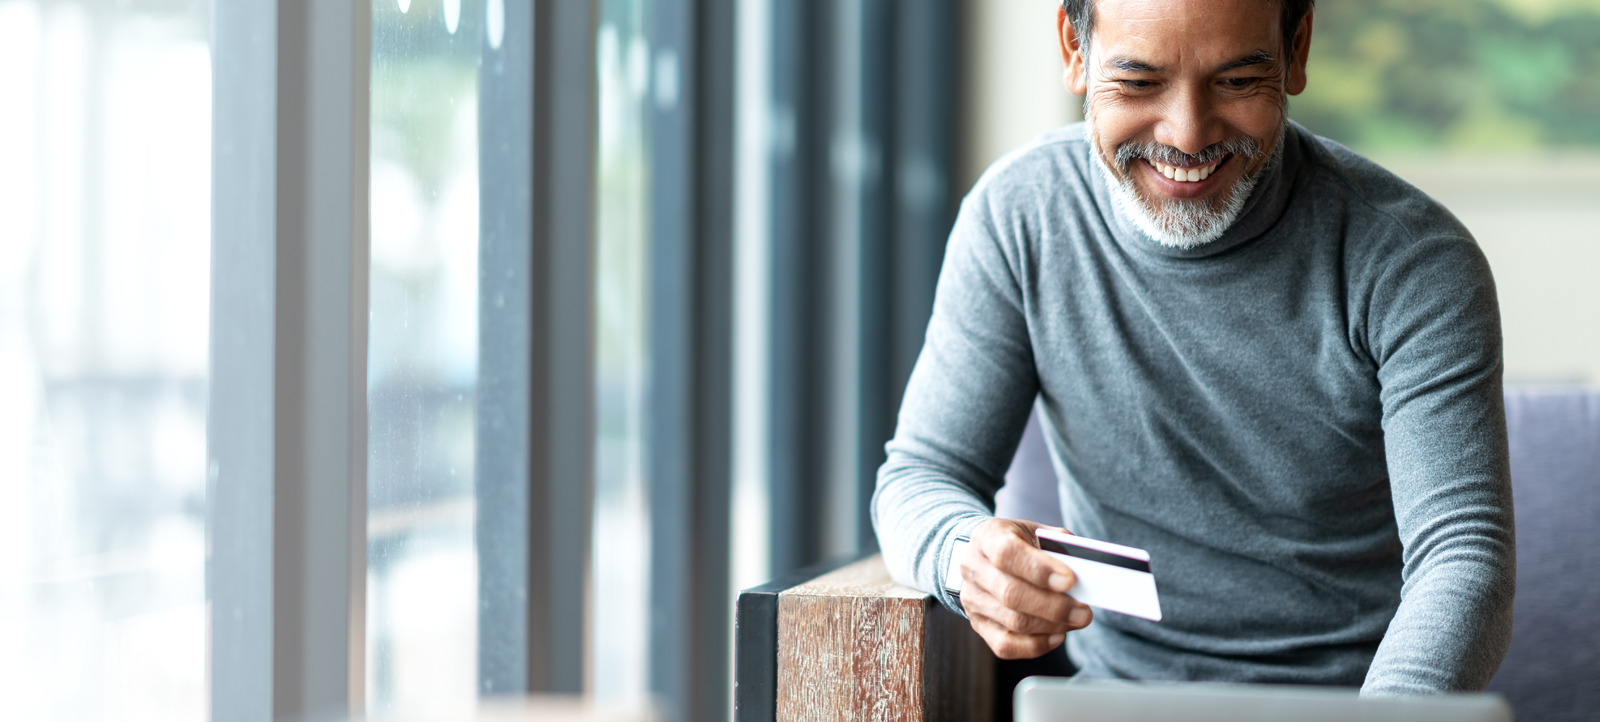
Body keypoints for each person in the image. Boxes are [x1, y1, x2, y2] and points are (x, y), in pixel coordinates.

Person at [871, 0, 1514, 695]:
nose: (1187, 135)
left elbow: (1462, 557)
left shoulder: (1413, 261)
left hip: (1352, 706)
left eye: (1237, 82)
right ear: (1074, 49)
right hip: (1115, 704)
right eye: (1140, 83)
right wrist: (963, 556)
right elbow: (920, 478)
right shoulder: (1021, 216)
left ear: (1295, 51)